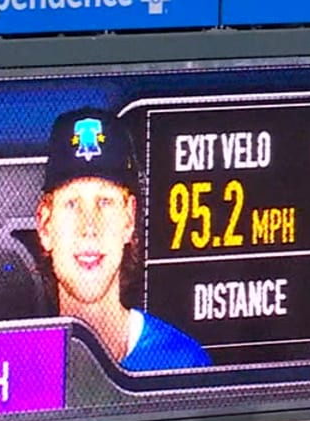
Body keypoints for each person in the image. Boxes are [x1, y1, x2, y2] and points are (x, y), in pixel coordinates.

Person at [37, 108, 211, 371]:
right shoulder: (25, 364)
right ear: (45, 225)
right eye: (72, 204)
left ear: (128, 219)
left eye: (105, 202)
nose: (89, 227)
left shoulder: (182, 363)